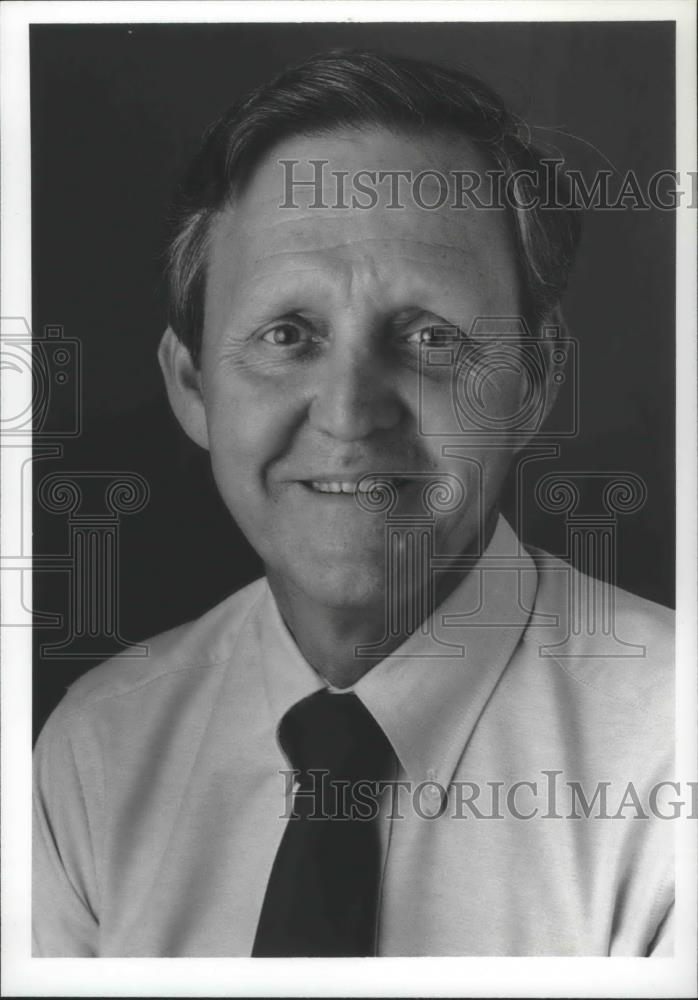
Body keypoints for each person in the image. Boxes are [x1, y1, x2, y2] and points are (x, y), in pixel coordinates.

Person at [33, 49, 674, 957]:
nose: (349, 414)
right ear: (190, 386)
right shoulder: (95, 751)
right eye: (289, 335)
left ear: (534, 383)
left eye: (429, 335)